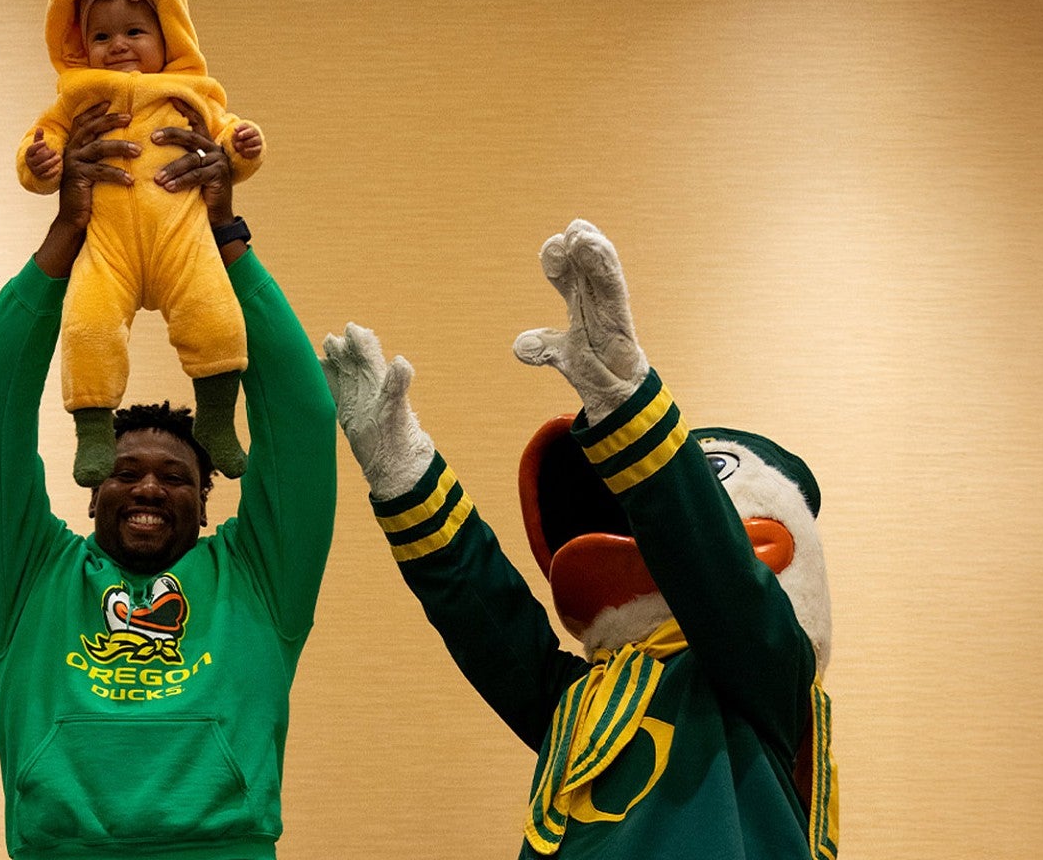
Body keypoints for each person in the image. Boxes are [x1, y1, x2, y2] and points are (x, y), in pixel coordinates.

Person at [320, 220, 837, 858]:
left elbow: (717, 577)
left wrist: (625, 402)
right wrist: (401, 471)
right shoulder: (587, 705)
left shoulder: (767, 669)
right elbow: (490, 621)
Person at [0, 101, 335, 860]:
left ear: (208, 498)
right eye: (126, 472)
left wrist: (225, 238)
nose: (150, 488)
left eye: (176, 477)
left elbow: (300, 418)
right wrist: (67, 235)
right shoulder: (32, 577)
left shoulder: (256, 579)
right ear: (93, 490)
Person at [17, 0, 266, 485]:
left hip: (184, 239)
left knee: (220, 320)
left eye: (135, 30)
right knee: (86, 327)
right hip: (107, 249)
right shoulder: (78, 99)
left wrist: (242, 147)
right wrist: (40, 161)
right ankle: (93, 432)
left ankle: (217, 421)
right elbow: (44, 146)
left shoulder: (191, 94)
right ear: (80, 44)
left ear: (167, 36)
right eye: (102, 35)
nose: (119, 45)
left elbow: (226, 142)